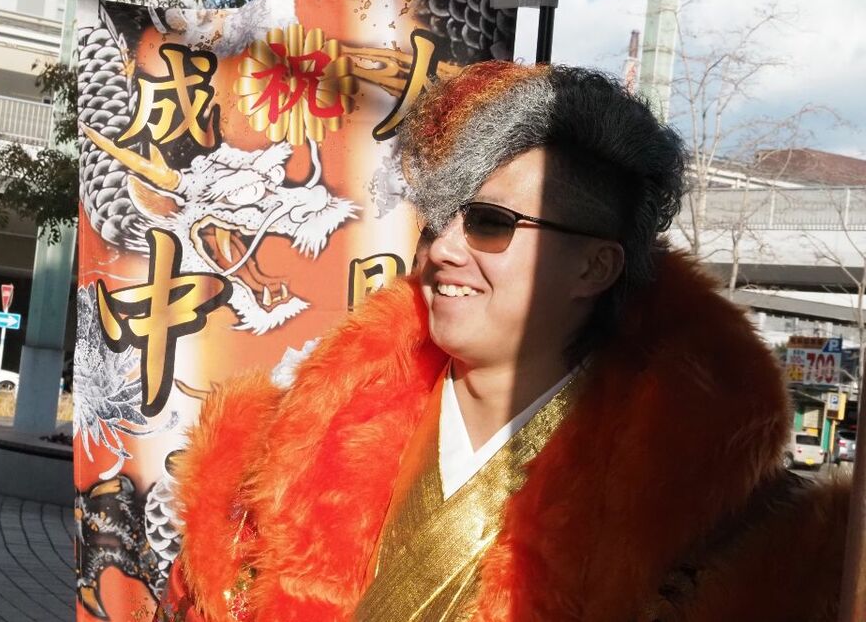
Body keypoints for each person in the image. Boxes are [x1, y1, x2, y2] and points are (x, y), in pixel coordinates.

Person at [159, 61, 851, 621]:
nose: (443, 250)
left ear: (594, 267)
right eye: (439, 222)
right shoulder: (286, 452)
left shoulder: (720, 530)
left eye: (490, 223)